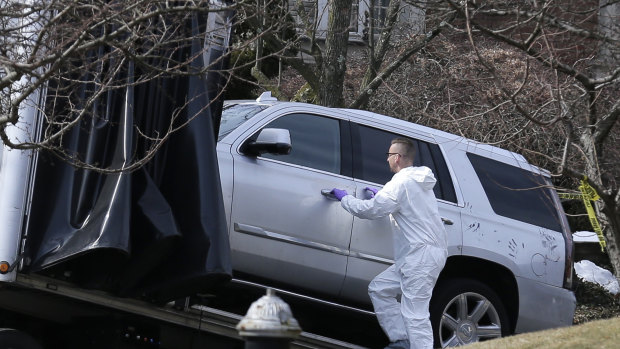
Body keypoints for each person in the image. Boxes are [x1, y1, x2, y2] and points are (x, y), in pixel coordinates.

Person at [330, 138, 448, 349]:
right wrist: (382, 198)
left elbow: (371, 210)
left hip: (419, 257)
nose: (387, 160)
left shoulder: (401, 183)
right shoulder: (419, 183)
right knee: (379, 289)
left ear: (397, 158)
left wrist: (345, 199)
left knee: (415, 314)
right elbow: (407, 209)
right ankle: (402, 341)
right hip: (420, 256)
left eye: (388, 156)